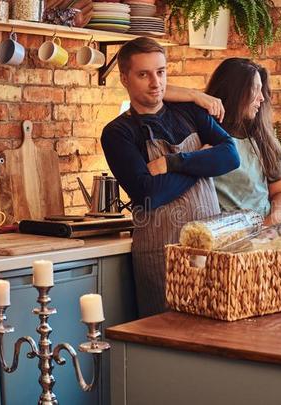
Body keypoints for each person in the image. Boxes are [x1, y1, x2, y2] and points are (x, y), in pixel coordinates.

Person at [100, 37, 240, 317]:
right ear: (125, 78)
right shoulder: (119, 133)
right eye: (144, 74)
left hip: (210, 249)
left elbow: (230, 157)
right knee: (165, 344)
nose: (156, 83)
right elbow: (150, 194)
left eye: (161, 72)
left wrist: (174, 162)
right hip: (160, 255)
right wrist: (202, 162)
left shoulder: (190, 111)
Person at [165, 58, 281, 225]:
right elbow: (155, 93)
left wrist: (271, 223)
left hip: (263, 238)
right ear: (236, 91)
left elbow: (280, 191)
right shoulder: (202, 128)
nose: (261, 98)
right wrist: (195, 95)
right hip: (219, 238)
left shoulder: (260, 138)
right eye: (255, 89)